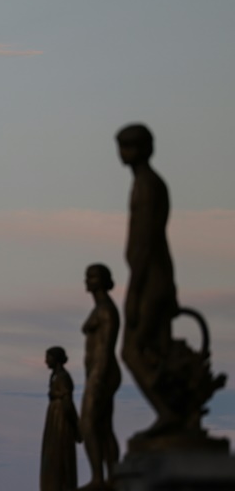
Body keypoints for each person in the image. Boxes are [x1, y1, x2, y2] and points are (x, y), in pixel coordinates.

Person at [116, 124, 180, 436]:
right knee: (157, 348)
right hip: (159, 277)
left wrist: (133, 293)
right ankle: (173, 414)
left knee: (131, 349)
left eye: (125, 146)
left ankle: (168, 413)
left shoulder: (145, 186)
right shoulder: (151, 183)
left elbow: (144, 244)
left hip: (149, 279)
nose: (121, 152)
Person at [79, 264, 121, 490]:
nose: (87, 280)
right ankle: (111, 476)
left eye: (92, 276)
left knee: (88, 424)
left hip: (102, 372)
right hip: (98, 372)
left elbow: (105, 349)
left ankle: (99, 478)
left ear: (102, 281)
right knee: (103, 426)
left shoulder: (106, 310)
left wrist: (96, 378)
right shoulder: (101, 308)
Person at [41, 346, 81, 491]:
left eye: (48, 357)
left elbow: (68, 403)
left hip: (60, 420)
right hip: (55, 418)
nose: (45, 361)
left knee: (60, 456)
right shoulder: (56, 376)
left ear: (55, 359)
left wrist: (76, 425)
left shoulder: (63, 377)